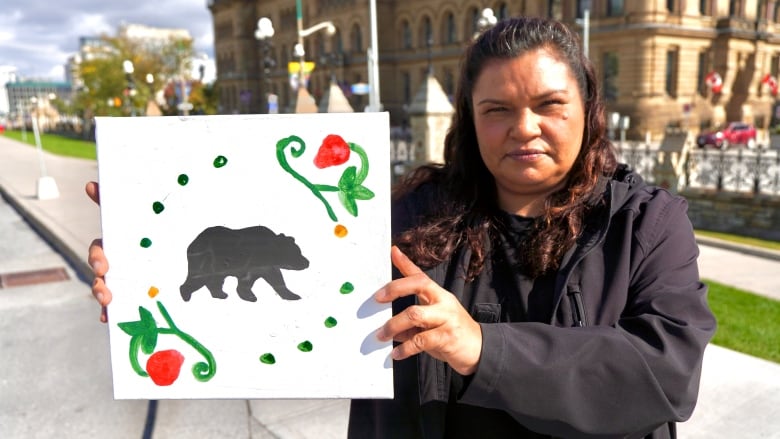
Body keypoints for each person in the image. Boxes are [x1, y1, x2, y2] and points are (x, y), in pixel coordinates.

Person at [87, 16, 716, 438]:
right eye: (496, 110)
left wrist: (483, 348)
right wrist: (151, 273)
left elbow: (666, 371)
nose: (524, 128)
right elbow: (295, 294)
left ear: (589, 110)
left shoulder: (646, 223)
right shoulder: (412, 214)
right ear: (470, 120)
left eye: (550, 104)